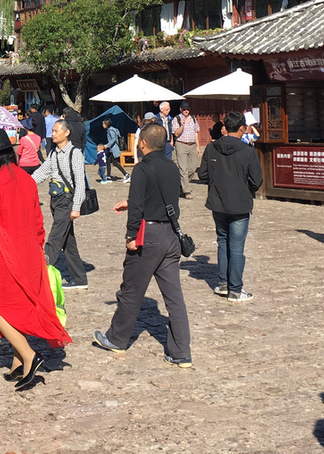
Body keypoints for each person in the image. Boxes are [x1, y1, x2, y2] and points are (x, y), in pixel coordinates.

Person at [0, 128, 72, 391]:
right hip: (31, 253)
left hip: (8, 256)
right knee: (15, 310)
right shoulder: (27, 179)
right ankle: (17, 363)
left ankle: (30, 356)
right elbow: (39, 223)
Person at [93, 122, 192, 367]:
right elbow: (163, 198)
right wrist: (131, 202)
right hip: (170, 235)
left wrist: (130, 237)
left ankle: (116, 338)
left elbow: (137, 207)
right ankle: (181, 352)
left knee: (131, 290)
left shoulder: (142, 169)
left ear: (143, 143)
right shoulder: (171, 166)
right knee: (174, 298)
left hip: (148, 235)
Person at [198, 111, 263, 302]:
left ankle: (223, 283)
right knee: (236, 246)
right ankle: (235, 289)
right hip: (240, 204)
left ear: (225, 127)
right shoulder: (247, 150)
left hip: (218, 202)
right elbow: (257, 180)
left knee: (222, 241)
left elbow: (202, 174)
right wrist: (245, 187)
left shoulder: (211, 148)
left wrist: (217, 180)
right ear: (242, 128)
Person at [32, 119, 89, 291]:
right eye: (53, 131)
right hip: (55, 200)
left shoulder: (75, 154)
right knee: (68, 242)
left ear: (67, 133)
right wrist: (24, 184)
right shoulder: (54, 153)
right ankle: (79, 279)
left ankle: (40, 273)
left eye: (57, 131)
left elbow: (80, 182)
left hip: (67, 201)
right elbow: (42, 172)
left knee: (55, 238)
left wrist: (76, 206)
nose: (53, 134)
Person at [172, 102, 199, 197]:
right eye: (184, 109)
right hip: (181, 144)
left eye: (187, 109)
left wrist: (198, 146)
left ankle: (181, 184)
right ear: (180, 109)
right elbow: (176, 134)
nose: (186, 111)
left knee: (193, 168)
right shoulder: (177, 119)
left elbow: (196, 132)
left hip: (192, 145)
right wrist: (182, 126)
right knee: (183, 169)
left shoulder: (193, 119)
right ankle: (186, 191)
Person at [101, 117, 127, 183]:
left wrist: (107, 145)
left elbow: (113, 139)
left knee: (115, 163)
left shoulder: (111, 131)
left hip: (113, 149)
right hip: (111, 149)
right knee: (108, 162)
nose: (102, 125)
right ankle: (109, 175)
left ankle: (126, 175)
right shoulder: (111, 130)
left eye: (103, 123)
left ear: (106, 124)